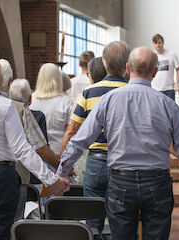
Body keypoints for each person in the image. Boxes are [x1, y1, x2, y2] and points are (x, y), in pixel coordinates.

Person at [58, 47, 179, 240]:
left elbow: (79, 141)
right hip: (157, 182)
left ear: (128, 68)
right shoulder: (167, 104)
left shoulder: (108, 100)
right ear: (154, 72)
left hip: (120, 182)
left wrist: (61, 172)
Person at [58, 41, 131, 234]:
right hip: (125, 164)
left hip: (96, 163)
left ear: (105, 64)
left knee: (92, 222)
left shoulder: (89, 93)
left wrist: (64, 164)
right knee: (123, 223)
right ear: (127, 64)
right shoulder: (135, 92)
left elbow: (72, 130)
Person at [0, 60, 70, 239]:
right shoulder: (5, 106)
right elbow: (23, 149)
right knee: (2, 230)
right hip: (2, 176)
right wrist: (52, 180)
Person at [30, 63, 74, 156]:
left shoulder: (30, 100)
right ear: (58, 79)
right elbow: (70, 132)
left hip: (36, 154)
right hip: (59, 152)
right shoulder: (65, 102)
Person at [151, 33, 179, 100]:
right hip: (155, 89)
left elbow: (178, 70)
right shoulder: (151, 56)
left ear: (163, 43)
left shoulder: (172, 54)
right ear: (153, 44)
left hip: (169, 89)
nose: (158, 45)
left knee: (169, 110)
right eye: (155, 43)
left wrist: (177, 84)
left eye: (159, 42)